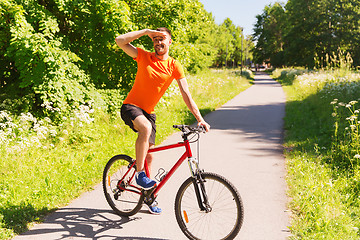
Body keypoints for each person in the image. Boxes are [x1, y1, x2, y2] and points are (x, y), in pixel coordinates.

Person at [115, 28, 210, 214]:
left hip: (148, 112)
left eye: (162, 39)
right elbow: (120, 41)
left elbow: (186, 94)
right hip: (131, 106)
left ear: (170, 42)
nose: (159, 43)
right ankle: (140, 175)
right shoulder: (144, 56)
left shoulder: (174, 65)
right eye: (156, 39)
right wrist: (146, 31)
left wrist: (200, 119)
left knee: (149, 155)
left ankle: (148, 196)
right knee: (145, 128)